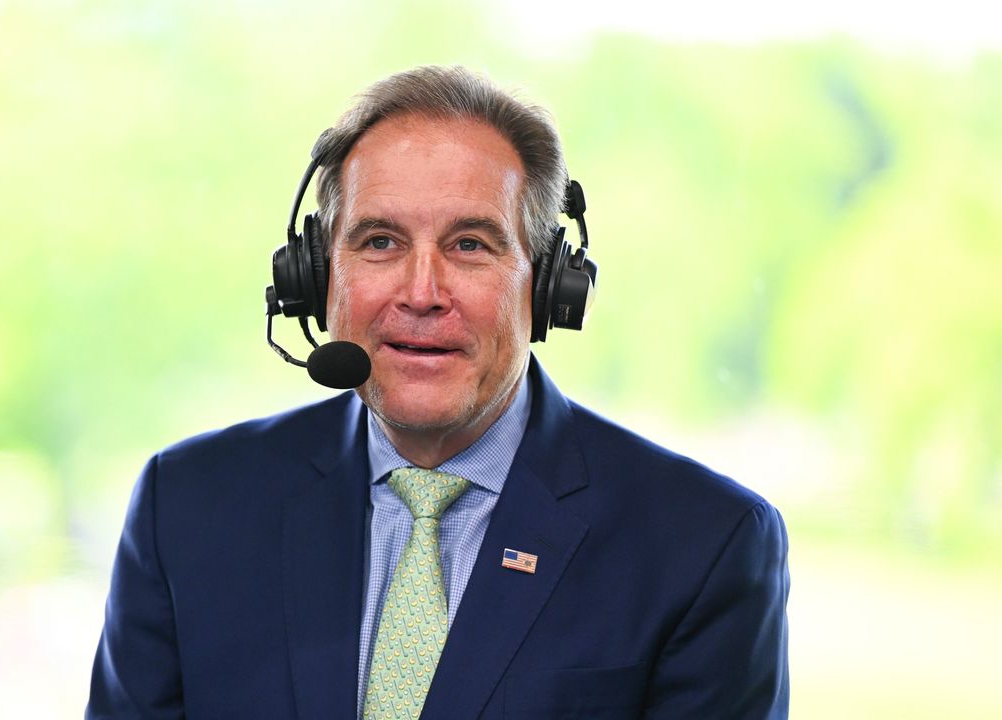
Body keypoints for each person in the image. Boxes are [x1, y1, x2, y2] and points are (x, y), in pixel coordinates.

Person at [87, 65, 789, 720]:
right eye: (381, 242)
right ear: (316, 278)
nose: (422, 294)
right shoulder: (183, 509)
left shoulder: (705, 546)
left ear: (549, 288)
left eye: (471, 245)